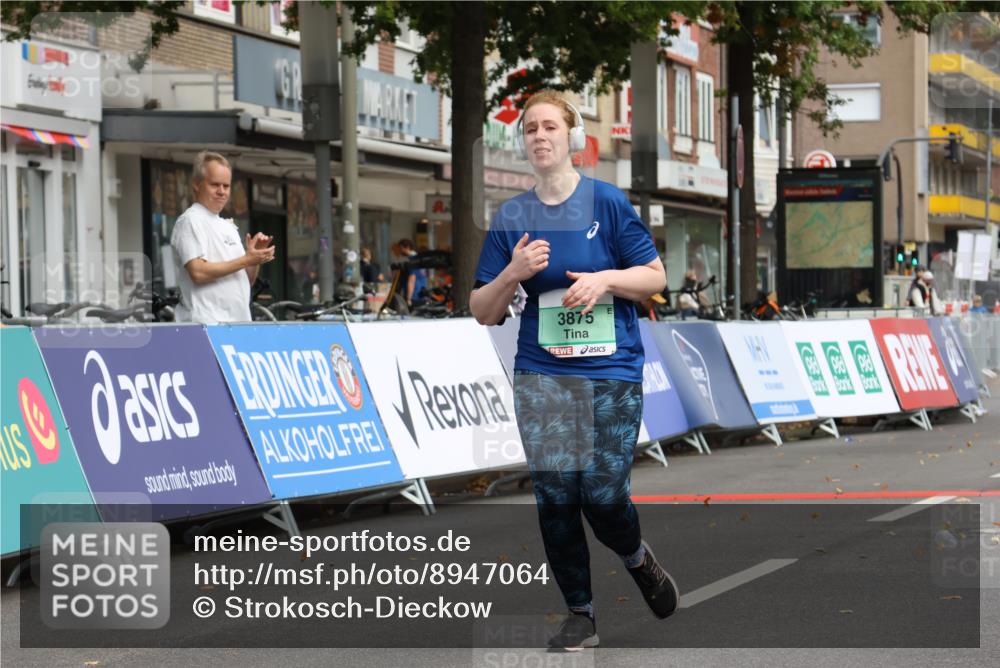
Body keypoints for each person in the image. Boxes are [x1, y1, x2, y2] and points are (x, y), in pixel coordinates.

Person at [469, 90, 678, 651]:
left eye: (549, 128)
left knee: (602, 494)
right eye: (530, 129)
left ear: (573, 138)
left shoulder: (607, 203)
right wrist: (512, 272)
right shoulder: (512, 217)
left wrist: (607, 279)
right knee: (557, 495)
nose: (539, 136)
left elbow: (655, 276)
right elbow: (483, 311)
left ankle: (637, 558)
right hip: (542, 372)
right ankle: (580, 613)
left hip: (611, 369)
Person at [171, 151, 275, 323]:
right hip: (206, 326)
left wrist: (255, 258)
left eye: (226, 186)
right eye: (215, 185)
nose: (222, 192)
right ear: (197, 185)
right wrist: (246, 260)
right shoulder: (190, 220)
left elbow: (246, 280)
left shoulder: (227, 226)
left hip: (237, 326)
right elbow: (197, 272)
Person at [394, 238, 428, 307]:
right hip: (422, 294)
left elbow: (411, 280)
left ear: (407, 247)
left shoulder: (412, 262)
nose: (400, 251)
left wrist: (408, 298)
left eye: (401, 248)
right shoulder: (419, 259)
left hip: (414, 296)